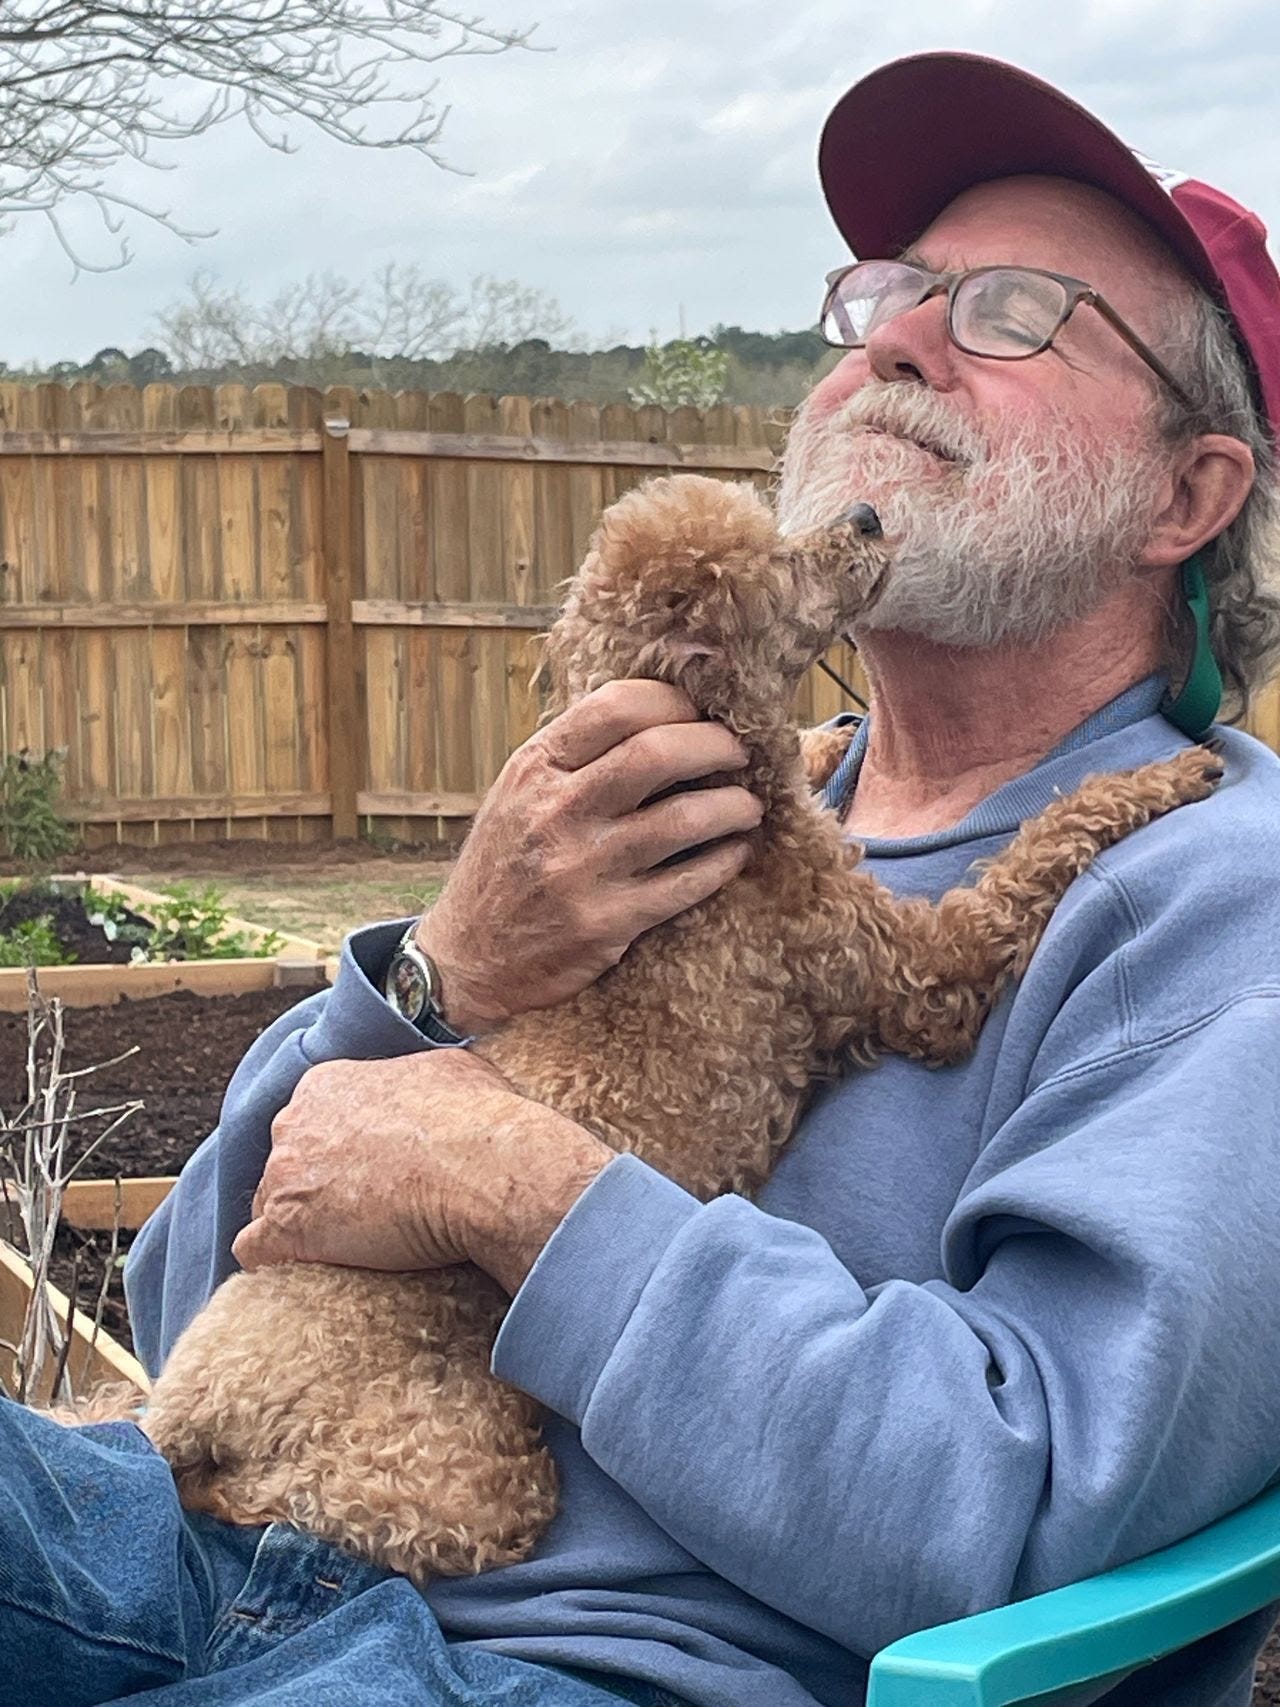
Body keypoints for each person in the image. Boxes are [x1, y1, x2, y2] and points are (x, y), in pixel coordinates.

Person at [6, 50, 1280, 1707]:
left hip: (610, 1667)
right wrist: (441, 979)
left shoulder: (1212, 900)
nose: (893, 335)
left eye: (1014, 311)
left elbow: (1023, 1502)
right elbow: (194, 1320)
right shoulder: (693, 808)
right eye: (889, 294)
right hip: (206, 1520)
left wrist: (521, 1187)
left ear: (1189, 494)